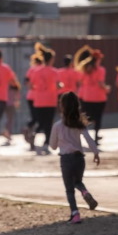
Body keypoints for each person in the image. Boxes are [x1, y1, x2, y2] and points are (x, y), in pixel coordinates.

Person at [49, 92, 100, 224]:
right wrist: (96, 153)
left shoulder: (57, 126)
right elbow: (89, 139)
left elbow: (52, 146)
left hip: (66, 159)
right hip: (79, 158)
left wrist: (59, 141)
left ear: (61, 107)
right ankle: (84, 192)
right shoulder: (79, 124)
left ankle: (75, 214)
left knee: (69, 189)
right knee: (77, 181)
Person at [27, 44, 61, 152]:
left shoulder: (36, 71)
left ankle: (34, 133)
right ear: (51, 59)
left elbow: (30, 85)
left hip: (39, 100)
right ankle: (46, 143)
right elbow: (58, 85)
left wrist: (38, 88)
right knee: (48, 123)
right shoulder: (54, 71)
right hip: (50, 100)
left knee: (41, 122)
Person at [74, 45, 109, 143]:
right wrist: (107, 89)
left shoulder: (84, 69)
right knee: (98, 118)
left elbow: (80, 82)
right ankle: (96, 136)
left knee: (86, 117)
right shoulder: (101, 70)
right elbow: (100, 83)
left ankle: (79, 134)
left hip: (86, 96)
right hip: (99, 97)